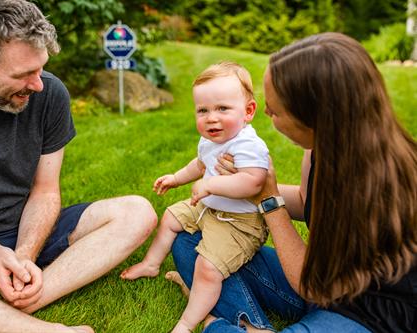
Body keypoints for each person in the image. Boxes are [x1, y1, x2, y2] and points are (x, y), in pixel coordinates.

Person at [0, 0, 157, 327]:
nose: (38, 84)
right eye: (23, 74)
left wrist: (24, 256)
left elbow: (45, 192)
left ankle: (29, 298)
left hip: (26, 232)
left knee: (137, 212)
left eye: (40, 68)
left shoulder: (50, 94)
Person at [171, 32, 417, 332]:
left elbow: (313, 285)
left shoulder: (372, 188)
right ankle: (243, 321)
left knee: (215, 304)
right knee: (189, 241)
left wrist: (269, 200)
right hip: (326, 289)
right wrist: (245, 187)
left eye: (275, 111)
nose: (264, 113)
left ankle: (222, 323)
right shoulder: (318, 149)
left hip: (371, 314)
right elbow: (304, 199)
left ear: (314, 117)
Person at [121, 62, 269, 333]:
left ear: (248, 112)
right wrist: (176, 178)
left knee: (207, 268)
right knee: (171, 216)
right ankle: (151, 264)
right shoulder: (213, 139)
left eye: (223, 108)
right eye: (203, 110)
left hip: (239, 224)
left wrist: (211, 185)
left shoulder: (247, 144)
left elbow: (253, 182)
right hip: (210, 210)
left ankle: (187, 323)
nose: (211, 118)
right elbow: (200, 164)